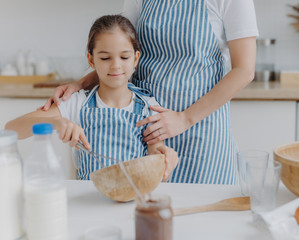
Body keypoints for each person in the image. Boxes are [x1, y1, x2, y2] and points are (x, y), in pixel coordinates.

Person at [41, 0, 259, 185]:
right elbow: (121, 48)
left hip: (201, 133)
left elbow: (245, 70)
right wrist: (82, 83)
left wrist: (184, 118)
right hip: (143, 133)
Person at [6, 14, 178, 181]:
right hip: (88, 202)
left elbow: (158, 165)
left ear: (135, 58)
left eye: (124, 57)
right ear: (91, 60)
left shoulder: (149, 107)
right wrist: (56, 123)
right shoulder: (77, 102)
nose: (116, 65)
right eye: (105, 58)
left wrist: (165, 162)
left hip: (132, 203)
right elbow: (11, 129)